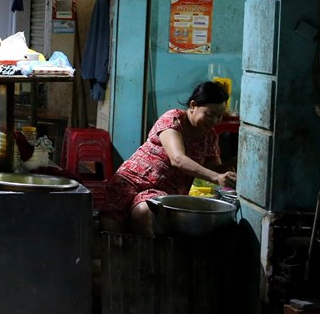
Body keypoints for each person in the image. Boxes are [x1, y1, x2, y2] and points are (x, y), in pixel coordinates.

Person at [99, 81, 237, 236]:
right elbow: (178, 159)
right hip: (130, 181)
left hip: (163, 192)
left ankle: (147, 259)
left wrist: (234, 164)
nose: (215, 121)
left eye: (219, 116)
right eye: (210, 115)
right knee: (111, 232)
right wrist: (217, 177)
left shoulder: (209, 137)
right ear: (193, 105)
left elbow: (213, 170)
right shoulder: (173, 119)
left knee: (144, 213)